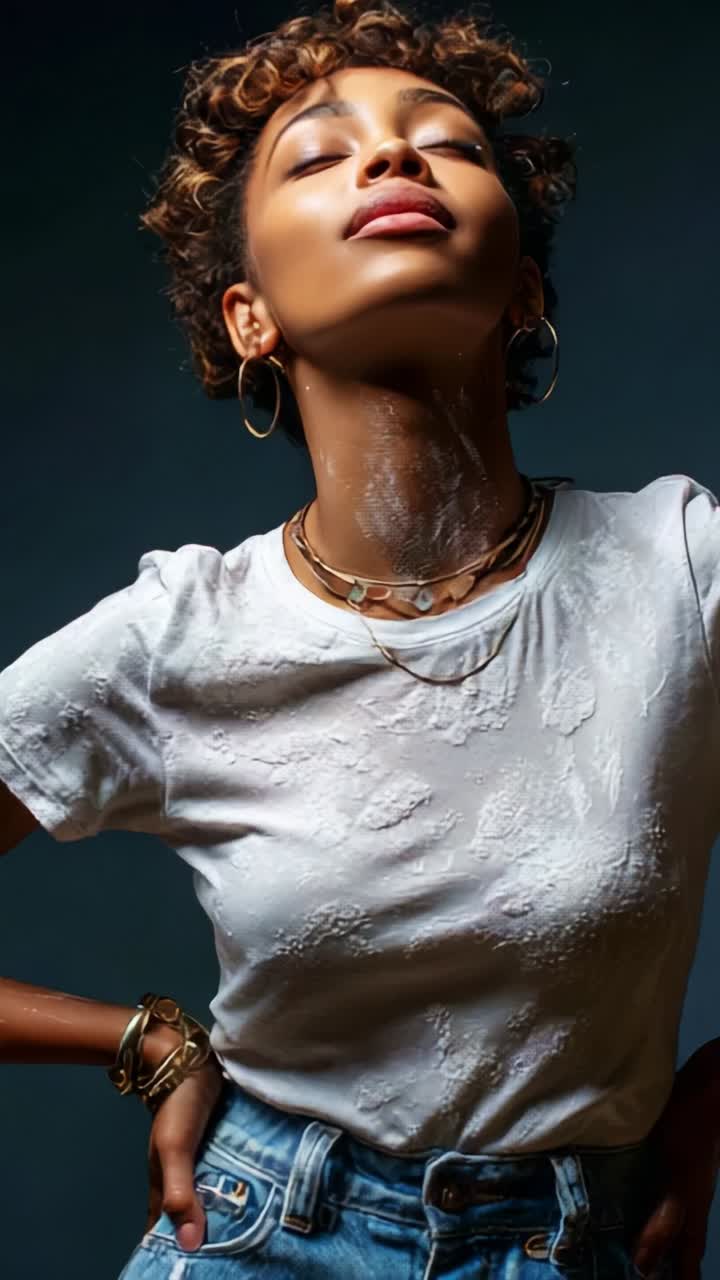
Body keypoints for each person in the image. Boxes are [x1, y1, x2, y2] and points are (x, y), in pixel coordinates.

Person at [1, 1, 719, 1276]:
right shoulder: (177, 638)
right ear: (249, 318)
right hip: (255, 1235)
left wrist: (714, 1106)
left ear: (527, 292)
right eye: (321, 155)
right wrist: (145, 1039)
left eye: (444, 143)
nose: (392, 160)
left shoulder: (681, 568)